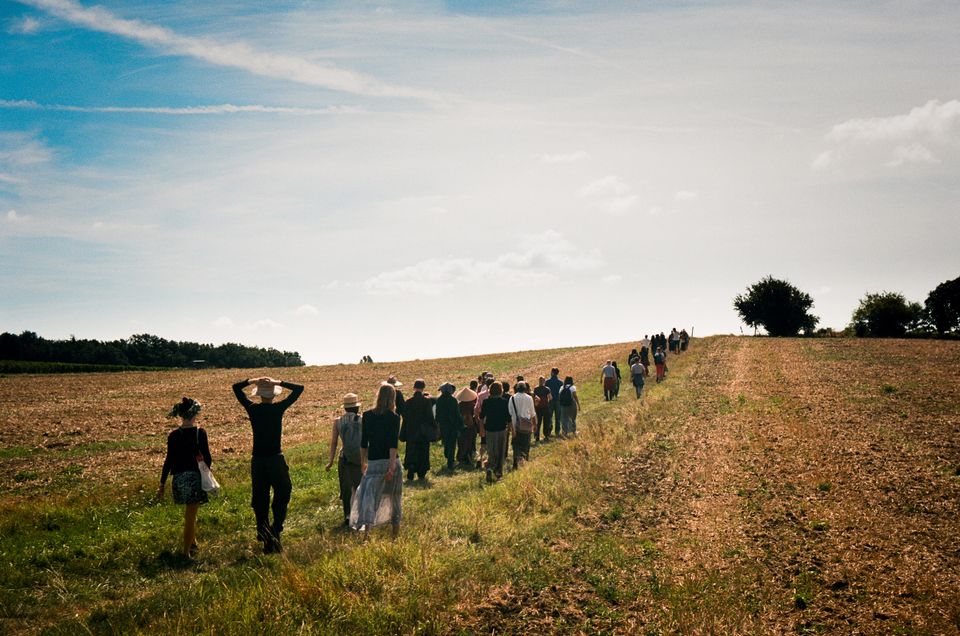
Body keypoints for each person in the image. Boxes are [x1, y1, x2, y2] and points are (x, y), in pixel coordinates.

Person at [232, 376, 304, 554]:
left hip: (258, 461)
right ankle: (275, 530)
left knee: (260, 500)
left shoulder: (253, 409)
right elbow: (299, 389)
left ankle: (266, 536)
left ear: (259, 394)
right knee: (283, 492)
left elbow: (236, 388)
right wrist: (278, 382)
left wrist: (253, 380)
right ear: (273, 395)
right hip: (275, 459)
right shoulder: (278, 408)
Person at [157, 397, 211, 558]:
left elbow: (168, 461)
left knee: (189, 514)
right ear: (195, 414)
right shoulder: (199, 433)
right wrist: (206, 473)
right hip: (194, 478)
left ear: (180, 414)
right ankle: (186, 552)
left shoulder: (173, 435)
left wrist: (162, 484)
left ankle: (193, 544)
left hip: (178, 479)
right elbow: (208, 457)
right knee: (190, 517)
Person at [351, 383, 402, 538]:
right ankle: (394, 535)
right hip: (390, 462)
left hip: (373, 462)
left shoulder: (367, 415)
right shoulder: (394, 417)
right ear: (392, 398)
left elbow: (364, 442)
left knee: (369, 498)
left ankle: (367, 534)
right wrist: (391, 468)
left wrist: (362, 462)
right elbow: (393, 445)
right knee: (394, 498)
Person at [326, 393, 363, 528]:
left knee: (346, 488)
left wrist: (330, 461)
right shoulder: (363, 420)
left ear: (345, 408)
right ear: (356, 407)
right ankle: (359, 514)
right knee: (359, 486)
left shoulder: (337, 421)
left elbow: (334, 442)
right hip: (360, 458)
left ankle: (347, 515)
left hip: (344, 458)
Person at [399, 379, 437, 482]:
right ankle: (421, 473)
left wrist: (404, 432)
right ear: (423, 388)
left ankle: (411, 470)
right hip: (423, 432)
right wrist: (434, 427)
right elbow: (430, 417)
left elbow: (405, 418)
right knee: (423, 452)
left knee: (411, 452)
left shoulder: (408, 402)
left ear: (414, 388)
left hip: (411, 432)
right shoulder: (426, 401)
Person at [479, 382, 510, 482]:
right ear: (501, 391)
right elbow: (508, 418)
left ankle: (489, 468)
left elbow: (481, 417)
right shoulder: (504, 402)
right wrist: (511, 429)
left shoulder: (486, 402)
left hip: (489, 429)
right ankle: (498, 473)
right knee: (501, 451)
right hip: (501, 429)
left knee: (491, 450)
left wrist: (481, 429)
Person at [436, 382, 463, 471]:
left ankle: (448, 456)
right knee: (452, 444)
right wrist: (461, 425)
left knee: (446, 442)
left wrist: (437, 424)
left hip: (444, 425)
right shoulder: (453, 400)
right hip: (453, 425)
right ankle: (450, 463)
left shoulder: (439, 400)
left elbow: (438, 413)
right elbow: (457, 414)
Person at [508, 382, 536, 468]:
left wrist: (511, 428)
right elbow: (532, 413)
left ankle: (516, 463)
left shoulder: (512, 398)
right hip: (526, 425)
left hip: (515, 425)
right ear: (525, 389)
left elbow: (510, 413)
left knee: (516, 445)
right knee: (526, 445)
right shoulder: (529, 398)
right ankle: (524, 463)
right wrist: (535, 425)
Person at [455, 383, 479, 466]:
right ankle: (469, 455)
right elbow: (475, 416)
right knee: (470, 441)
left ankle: (461, 456)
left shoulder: (458, 405)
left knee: (461, 442)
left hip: (461, 426)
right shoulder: (472, 405)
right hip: (471, 426)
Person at [545, 368, 563, 438]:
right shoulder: (561, 382)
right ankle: (557, 431)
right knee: (558, 417)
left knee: (549, 417)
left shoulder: (547, 382)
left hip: (550, 401)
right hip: (558, 401)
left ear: (552, 372)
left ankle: (549, 431)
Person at [533, 376, 552, 442]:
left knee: (538, 422)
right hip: (545, 407)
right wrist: (547, 402)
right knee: (546, 422)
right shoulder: (547, 389)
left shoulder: (535, 389)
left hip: (538, 408)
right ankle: (546, 435)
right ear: (544, 381)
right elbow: (550, 398)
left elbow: (534, 398)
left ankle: (537, 436)